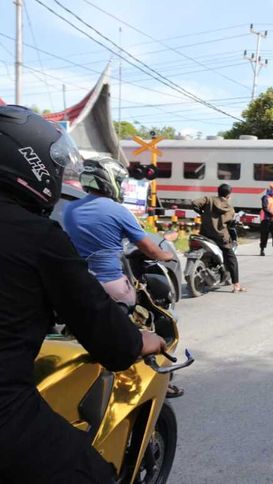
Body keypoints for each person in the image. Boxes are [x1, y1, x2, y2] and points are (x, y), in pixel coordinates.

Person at [0, 105, 166, 482]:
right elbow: (107, 335)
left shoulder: (71, 214)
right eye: (55, 165)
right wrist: (142, 340)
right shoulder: (37, 235)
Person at [63, 156, 176, 308]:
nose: (121, 186)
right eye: (119, 182)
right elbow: (150, 250)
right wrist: (166, 255)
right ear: (110, 180)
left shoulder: (69, 208)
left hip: (75, 283)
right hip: (109, 283)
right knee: (141, 312)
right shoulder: (119, 211)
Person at [192, 184, 247, 293]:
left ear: (218, 191)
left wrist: (202, 213)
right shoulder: (230, 208)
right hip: (221, 237)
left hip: (205, 234)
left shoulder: (208, 199)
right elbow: (230, 224)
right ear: (228, 195)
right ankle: (236, 285)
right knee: (231, 258)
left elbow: (194, 203)